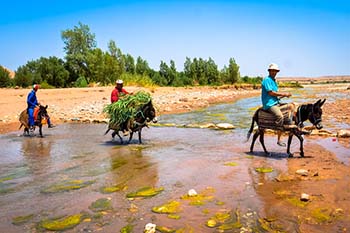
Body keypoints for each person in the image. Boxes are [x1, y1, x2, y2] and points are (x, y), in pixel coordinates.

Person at [261, 63, 296, 146]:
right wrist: (283, 94)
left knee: (291, 106)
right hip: (269, 104)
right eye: (272, 71)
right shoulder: (266, 80)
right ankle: (279, 139)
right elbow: (270, 92)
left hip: (276, 102)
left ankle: (290, 125)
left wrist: (283, 95)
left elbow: (275, 93)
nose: (274, 72)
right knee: (279, 116)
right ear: (269, 71)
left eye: (275, 71)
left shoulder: (274, 81)